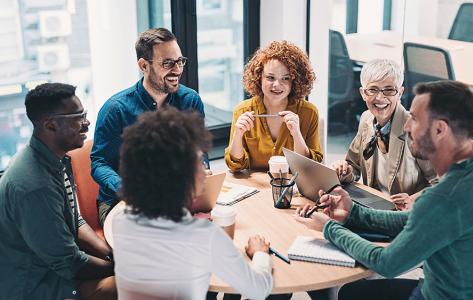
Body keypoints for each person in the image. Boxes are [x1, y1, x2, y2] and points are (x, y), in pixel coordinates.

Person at [295, 80, 473, 299]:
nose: (406, 126)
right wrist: (352, 212)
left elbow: (386, 263)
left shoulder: (443, 198)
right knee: (353, 292)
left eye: (415, 118)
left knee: (350, 294)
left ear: (440, 129)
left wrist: (330, 228)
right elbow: (413, 220)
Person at [112, 107, 273, 299]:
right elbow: (259, 290)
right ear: (179, 174)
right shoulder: (203, 235)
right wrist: (260, 254)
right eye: (197, 160)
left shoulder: (120, 221)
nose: (204, 168)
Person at [0, 83, 116, 299]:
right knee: (134, 285)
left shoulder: (54, 158)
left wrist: (110, 254)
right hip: (38, 287)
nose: (87, 123)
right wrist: (121, 268)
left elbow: (75, 220)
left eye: (85, 114)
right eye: (78, 117)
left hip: (55, 269)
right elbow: (69, 263)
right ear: (51, 125)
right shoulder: (34, 186)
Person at [91, 27, 206, 226]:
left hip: (175, 196)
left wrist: (202, 169)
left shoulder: (191, 101)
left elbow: (199, 151)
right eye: (168, 63)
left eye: (180, 61)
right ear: (144, 65)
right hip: (122, 201)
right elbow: (99, 163)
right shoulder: (115, 109)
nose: (177, 70)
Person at [332, 59, 436, 210]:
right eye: (373, 89)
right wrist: (344, 171)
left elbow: (444, 183)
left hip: (405, 216)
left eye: (389, 90)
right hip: (373, 207)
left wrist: (415, 200)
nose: (380, 98)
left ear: (400, 93)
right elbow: (353, 167)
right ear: (363, 93)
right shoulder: (366, 119)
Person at [225, 40, 323, 172]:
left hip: (293, 188)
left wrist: (296, 134)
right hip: (256, 188)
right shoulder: (242, 111)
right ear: (259, 77)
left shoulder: (309, 112)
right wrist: (238, 135)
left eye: (285, 78)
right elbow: (235, 166)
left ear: (295, 80)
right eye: (270, 77)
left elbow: (311, 167)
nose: (277, 85)